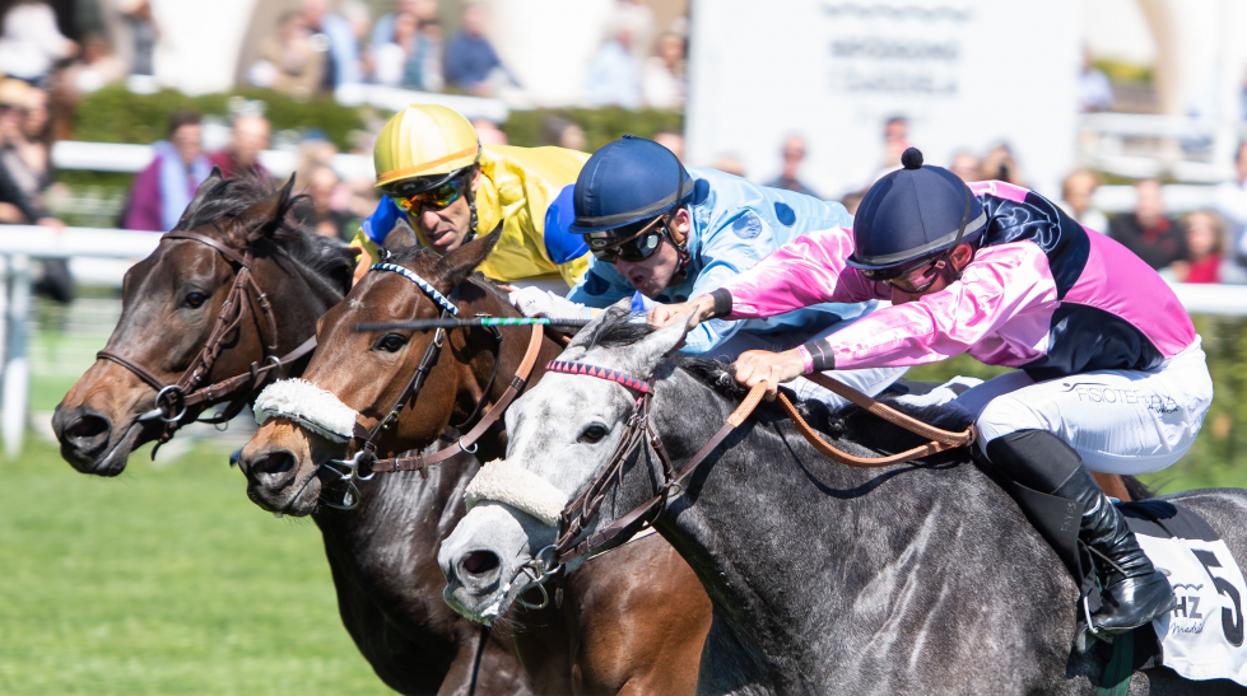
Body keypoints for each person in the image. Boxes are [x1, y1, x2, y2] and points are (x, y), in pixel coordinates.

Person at [652, 147, 1209, 635]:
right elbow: (819, 264)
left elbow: (930, 326)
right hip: (1073, 378)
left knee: (1004, 421)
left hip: (1160, 390)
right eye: (887, 281)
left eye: (905, 282)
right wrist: (712, 301)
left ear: (959, 257)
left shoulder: (1017, 259)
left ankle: (1131, 570)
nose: (893, 297)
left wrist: (797, 359)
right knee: (937, 418)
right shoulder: (935, 226)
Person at [512, 136, 905, 407]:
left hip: (876, 313)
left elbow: (697, 335)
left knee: (783, 403)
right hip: (778, 326)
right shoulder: (637, 238)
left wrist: (580, 315)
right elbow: (570, 324)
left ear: (680, 222)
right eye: (605, 249)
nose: (624, 265)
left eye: (636, 246)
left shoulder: (740, 226)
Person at [352, 103, 591, 287]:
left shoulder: (551, 207)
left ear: (474, 176)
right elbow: (351, 280)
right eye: (410, 201)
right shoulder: (401, 205)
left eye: (441, 195)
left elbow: (605, 314)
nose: (428, 221)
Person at [122, 109, 212, 232]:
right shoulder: (155, 170)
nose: (190, 147)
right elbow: (139, 214)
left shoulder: (204, 169)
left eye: (196, 142)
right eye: (184, 141)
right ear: (173, 140)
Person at [1108, 178, 1183, 270]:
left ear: (1161, 202)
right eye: (1142, 198)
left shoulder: (1176, 230)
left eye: (1151, 199)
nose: (1146, 204)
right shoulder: (1120, 227)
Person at [208, 112, 271, 181]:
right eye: (245, 136)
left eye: (259, 139)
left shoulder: (261, 174)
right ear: (233, 137)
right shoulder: (210, 165)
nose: (251, 145)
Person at [766, 133, 819, 198]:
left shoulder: (811, 197)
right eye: (788, 154)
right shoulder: (766, 192)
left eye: (797, 155)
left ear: (803, 157)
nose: (792, 159)